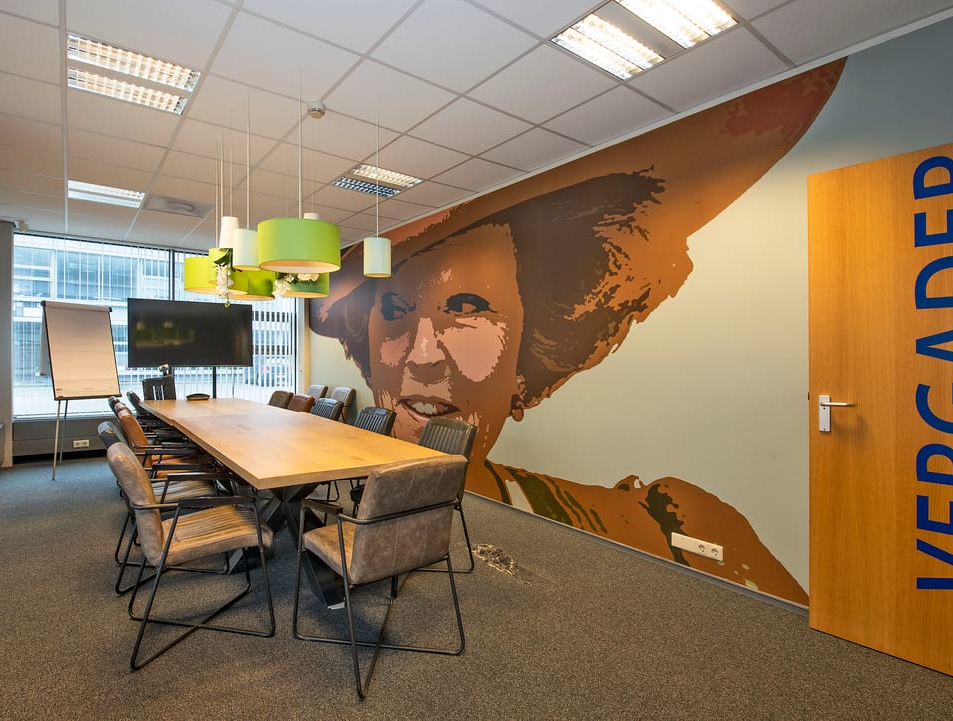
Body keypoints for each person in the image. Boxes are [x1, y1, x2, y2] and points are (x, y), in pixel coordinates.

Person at [311, 62, 845, 604]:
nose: (424, 354)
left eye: (467, 308)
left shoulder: (666, 528)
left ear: (531, 351)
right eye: (396, 309)